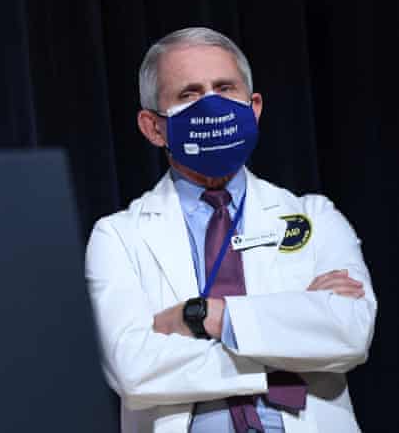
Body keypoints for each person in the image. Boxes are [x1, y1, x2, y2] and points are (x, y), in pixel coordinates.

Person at [85, 27, 375, 432]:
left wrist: (206, 316)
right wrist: (281, 362)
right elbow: (132, 369)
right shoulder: (117, 237)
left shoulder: (315, 216)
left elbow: (349, 332)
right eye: (189, 94)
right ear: (153, 127)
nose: (212, 106)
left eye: (224, 88)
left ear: (253, 108)